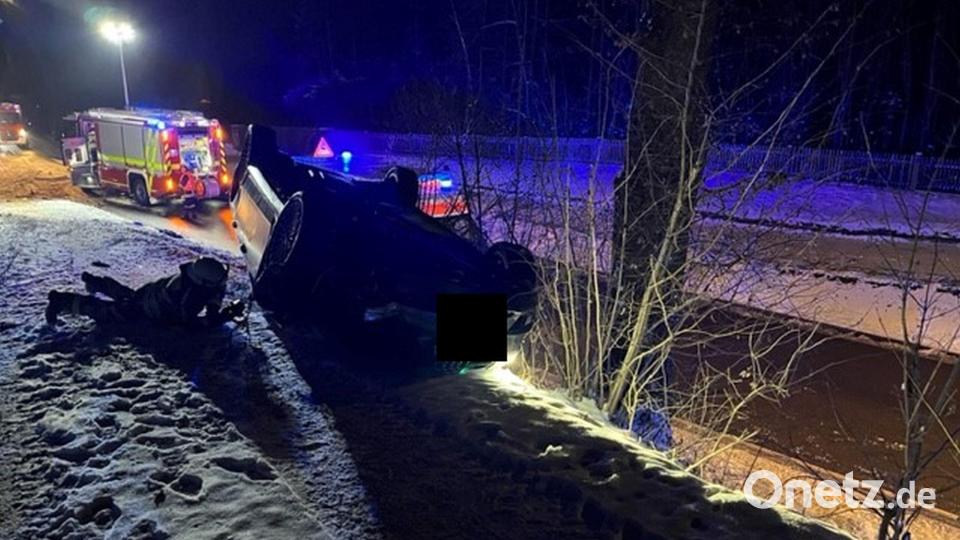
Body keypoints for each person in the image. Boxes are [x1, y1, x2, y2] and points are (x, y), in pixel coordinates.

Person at [45, 257, 245, 328]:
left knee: (127, 295)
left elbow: (214, 296)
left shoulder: (197, 281)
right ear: (203, 284)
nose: (222, 285)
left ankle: (96, 282)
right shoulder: (187, 297)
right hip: (147, 310)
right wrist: (225, 316)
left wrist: (220, 310)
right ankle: (61, 300)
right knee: (106, 311)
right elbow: (194, 324)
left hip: (149, 294)